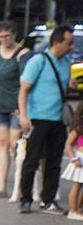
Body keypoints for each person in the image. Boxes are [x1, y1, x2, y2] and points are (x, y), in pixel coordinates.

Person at [16, 25, 77, 215]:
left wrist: (70, 84)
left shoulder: (66, 61)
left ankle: (48, 200)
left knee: (54, 161)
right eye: (69, 43)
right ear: (57, 43)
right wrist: (24, 115)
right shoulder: (38, 61)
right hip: (38, 119)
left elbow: (57, 85)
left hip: (58, 120)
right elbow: (24, 89)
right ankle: (25, 199)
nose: (72, 47)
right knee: (31, 160)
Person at [0, 20, 29, 199]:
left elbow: (27, 82)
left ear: (15, 34)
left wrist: (23, 109)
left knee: (15, 146)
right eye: (1, 36)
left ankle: (22, 185)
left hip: (17, 107)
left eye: (8, 35)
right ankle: (2, 186)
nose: (4, 39)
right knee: (1, 144)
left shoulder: (22, 54)